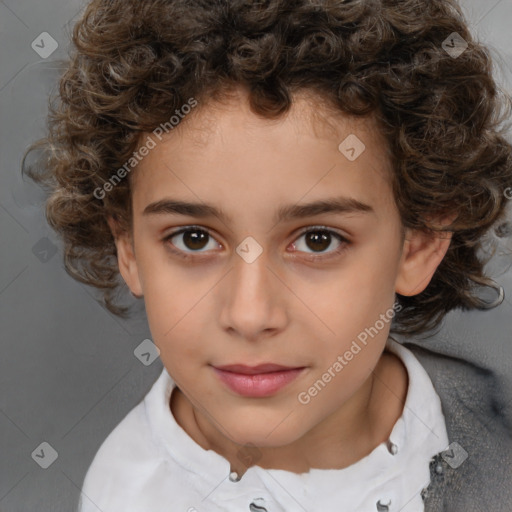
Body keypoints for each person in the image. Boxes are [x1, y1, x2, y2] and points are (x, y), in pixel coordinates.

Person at [23, 0, 512, 510]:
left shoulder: (497, 439)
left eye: (318, 240)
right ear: (128, 247)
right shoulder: (125, 496)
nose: (250, 315)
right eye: (193, 239)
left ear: (421, 241)